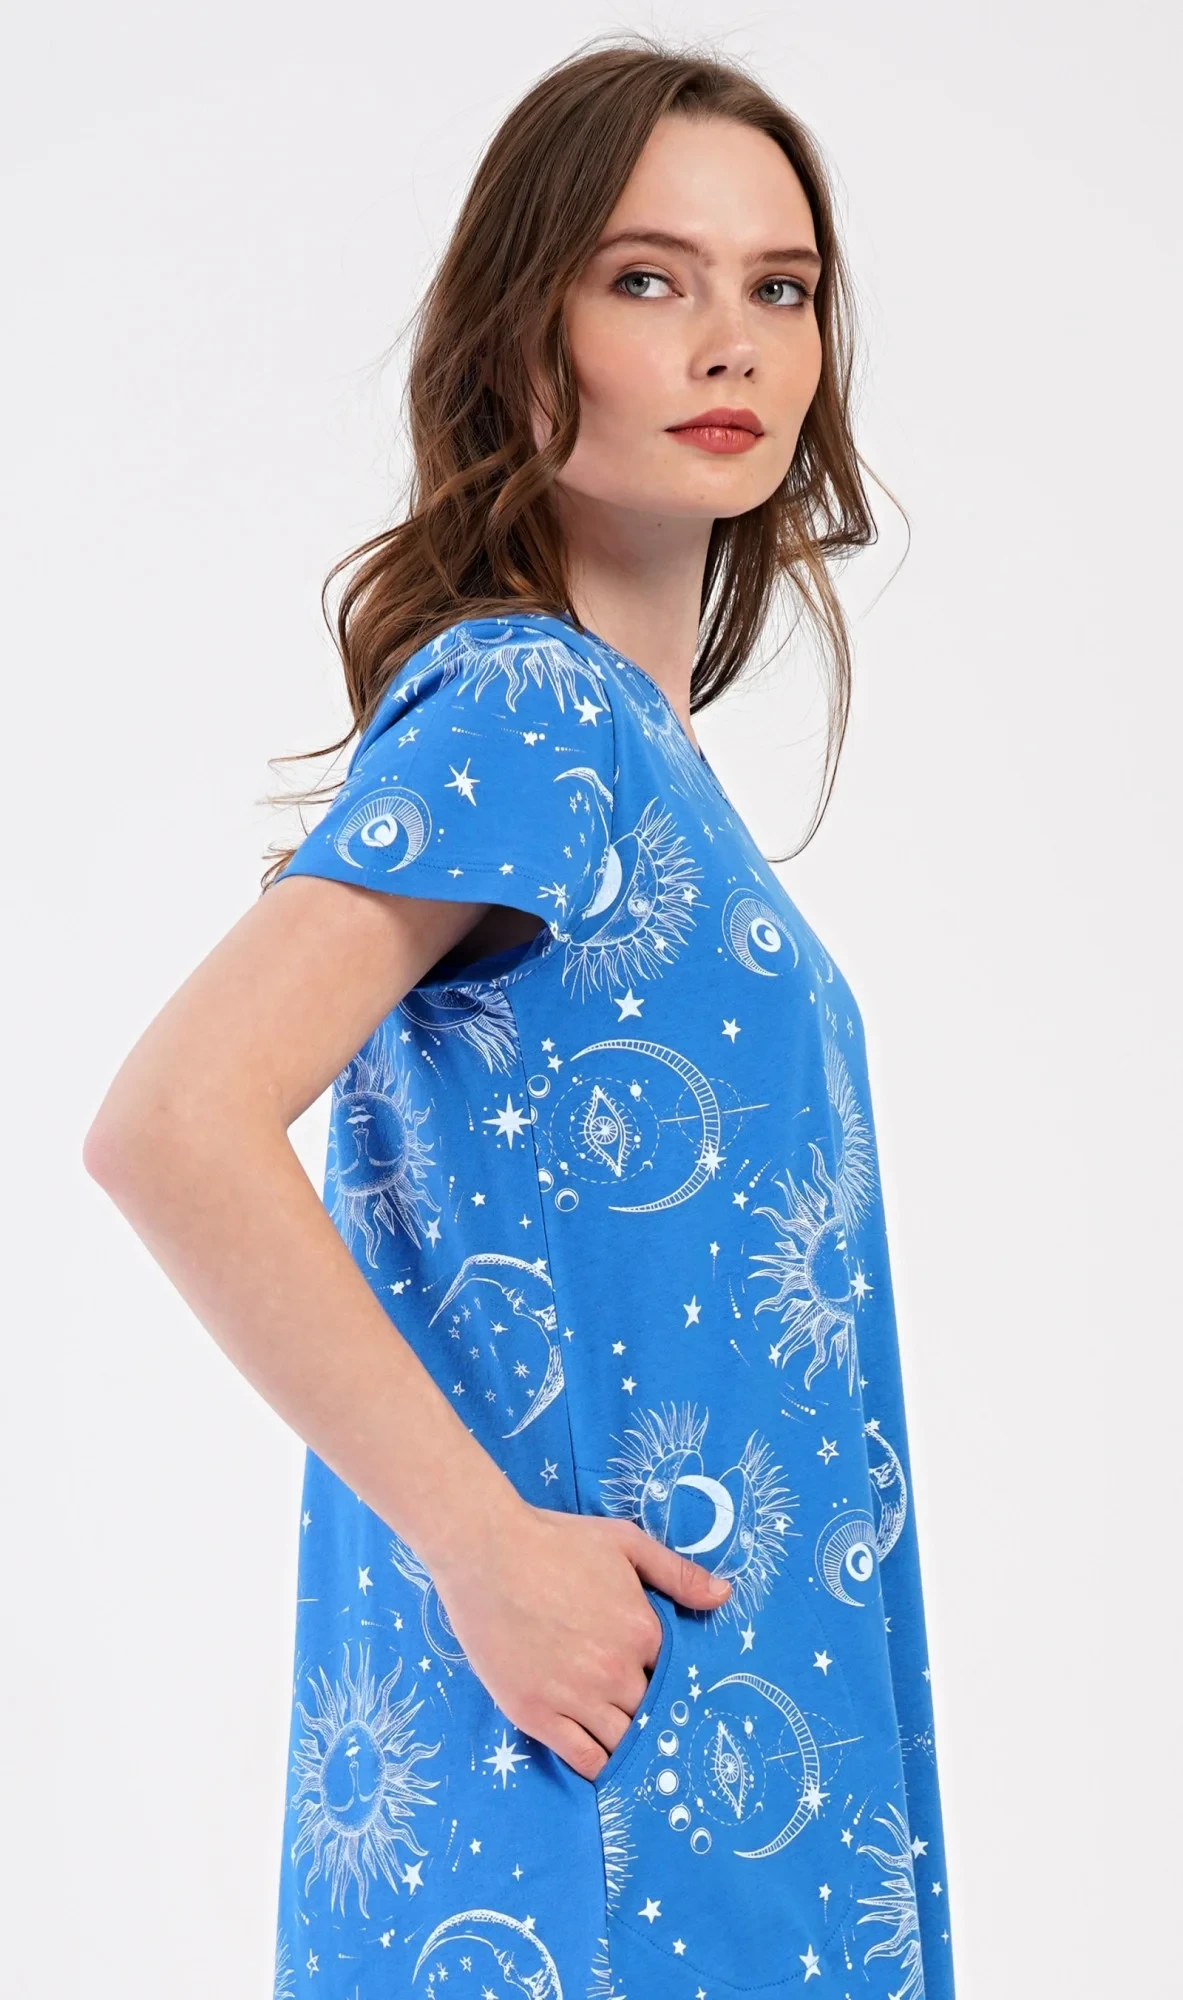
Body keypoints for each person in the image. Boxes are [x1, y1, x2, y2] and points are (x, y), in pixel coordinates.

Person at [84, 35, 956, 2000]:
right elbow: (173, 1122)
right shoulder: (530, 709)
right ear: (519, 336)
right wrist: (486, 1547)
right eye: (648, 278)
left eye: (780, 288)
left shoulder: (636, 759)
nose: (729, 342)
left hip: (724, 1766)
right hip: (597, 1789)